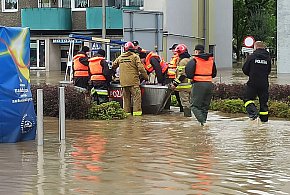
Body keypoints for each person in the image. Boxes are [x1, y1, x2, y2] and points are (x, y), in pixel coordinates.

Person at [112, 41, 148, 116]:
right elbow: (141, 68)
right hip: (133, 82)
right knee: (136, 99)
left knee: (126, 100)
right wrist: (146, 77)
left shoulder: (120, 57)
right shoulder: (135, 57)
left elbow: (113, 66)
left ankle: (127, 116)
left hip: (123, 83)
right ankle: (137, 118)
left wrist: (114, 76)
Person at [185, 44, 217, 126]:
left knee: (194, 106)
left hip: (198, 84)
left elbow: (189, 74)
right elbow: (214, 74)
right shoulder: (211, 60)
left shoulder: (194, 60)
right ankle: (203, 124)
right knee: (204, 107)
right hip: (209, 84)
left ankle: (203, 122)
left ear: (196, 51)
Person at [242, 41, 271, 123]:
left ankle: (254, 115)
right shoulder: (268, 58)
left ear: (255, 47)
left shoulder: (252, 57)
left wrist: (251, 74)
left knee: (247, 98)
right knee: (263, 104)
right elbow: (268, 71)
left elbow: (245, 69)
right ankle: (264, 123)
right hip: (264, 83)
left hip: (253, 83)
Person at [171, 44, 192, 117]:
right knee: (189, 102)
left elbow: (182, 75)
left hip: (184, 86)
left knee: (185, 103)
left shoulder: (182, 61)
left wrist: (174, 84)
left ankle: (187, 118)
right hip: (190, 85)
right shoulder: (189, 60)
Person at [167, 43, 183, 112]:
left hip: (175, 78)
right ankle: (169, 108)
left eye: (173, 49)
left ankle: (182, 109)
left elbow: (178, 69)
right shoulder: (174, 58)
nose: (172, 51)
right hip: (171, 78)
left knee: (177, 95)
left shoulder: (177, 58)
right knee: (170, 95)